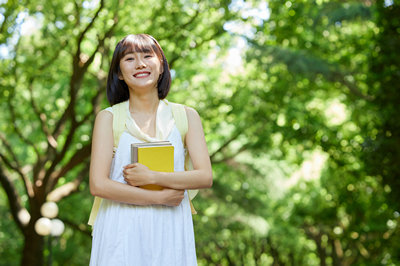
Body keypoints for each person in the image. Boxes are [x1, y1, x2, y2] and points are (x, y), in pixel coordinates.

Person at [88, 33, 213, 265]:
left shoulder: (186, 116)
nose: (140, 64)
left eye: (147, 56)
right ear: (119, 73)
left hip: (171, 227)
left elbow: (205, 176)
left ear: (162, 66)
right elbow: (98, 184)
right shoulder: (108, 118)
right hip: (120, 229)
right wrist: (158, 197)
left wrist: (153, 177)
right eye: (130, 59)